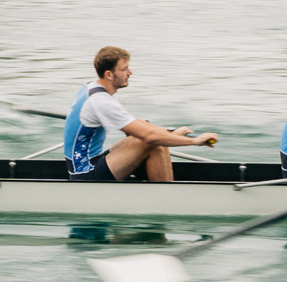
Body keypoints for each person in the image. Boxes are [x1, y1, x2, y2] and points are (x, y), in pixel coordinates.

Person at [63, 47, 218, 182]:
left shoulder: (93, 88)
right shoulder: (101, 101)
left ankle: (160, 189)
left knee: (150, 135)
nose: (130, 72)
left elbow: (139, 125)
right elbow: (149, 136)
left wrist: (170, 134)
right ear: (109, 74)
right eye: (124, 69)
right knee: (151, 141)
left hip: (91, 161)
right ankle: (167, 198)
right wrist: (195, 141)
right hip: (84, 174)